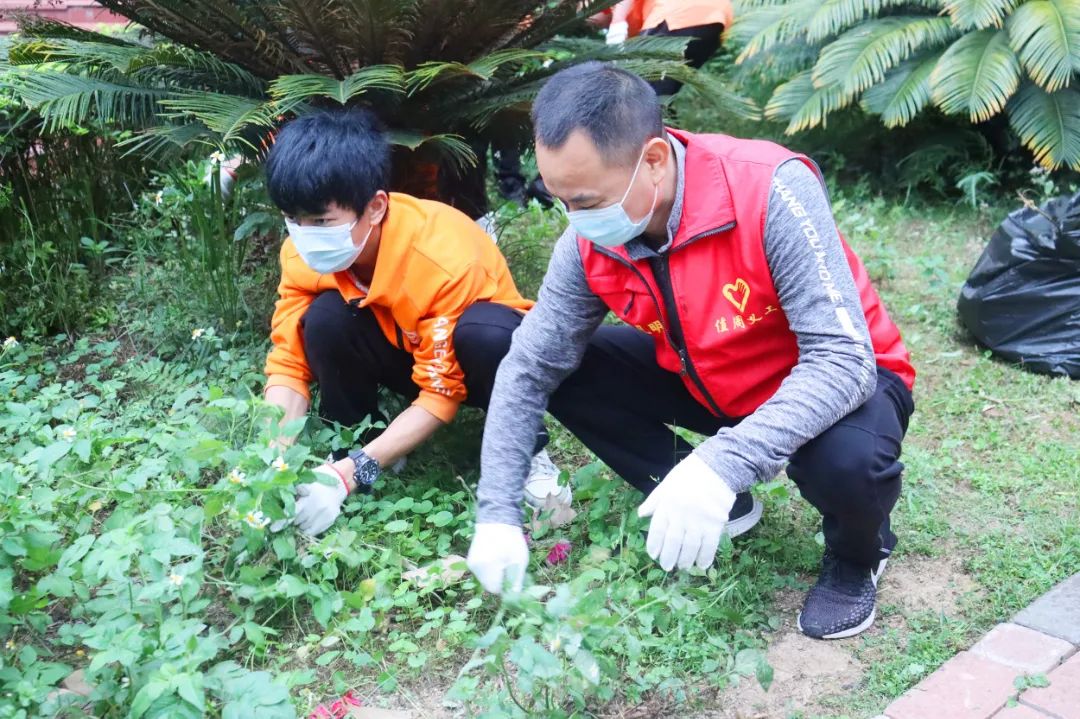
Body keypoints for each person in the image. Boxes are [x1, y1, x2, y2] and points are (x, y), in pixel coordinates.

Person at [465, 63, 916, 640]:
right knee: (558, 365)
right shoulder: (588, 240)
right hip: (709, 375)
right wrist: (497, 512)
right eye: (559, 201)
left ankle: (857, 560)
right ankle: (720, 502)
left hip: (837, 379)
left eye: (585, 200)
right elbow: (529, 368)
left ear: (652, 160)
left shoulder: (767, 187)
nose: (574, 221)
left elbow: (843, 362)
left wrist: (720, 462)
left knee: (847, 462)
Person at [262, 108, 571, 536]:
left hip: (479, 364)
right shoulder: (300, 252)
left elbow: (442, 392)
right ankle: (361, 442)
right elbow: (289, 364)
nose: (303, 234)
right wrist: (269, 459)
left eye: (321, 221)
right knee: (323, 319)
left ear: (375, 207)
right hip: (409, 349)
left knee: (486, 334)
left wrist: (347, 478)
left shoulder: (443, 257)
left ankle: (527, 450)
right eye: (293, 220)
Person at [607, 0, 732, 97]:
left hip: (676, 16)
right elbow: (598, 15)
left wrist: (616, 24)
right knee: (660, 96)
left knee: (639, 94)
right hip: (714, 19)